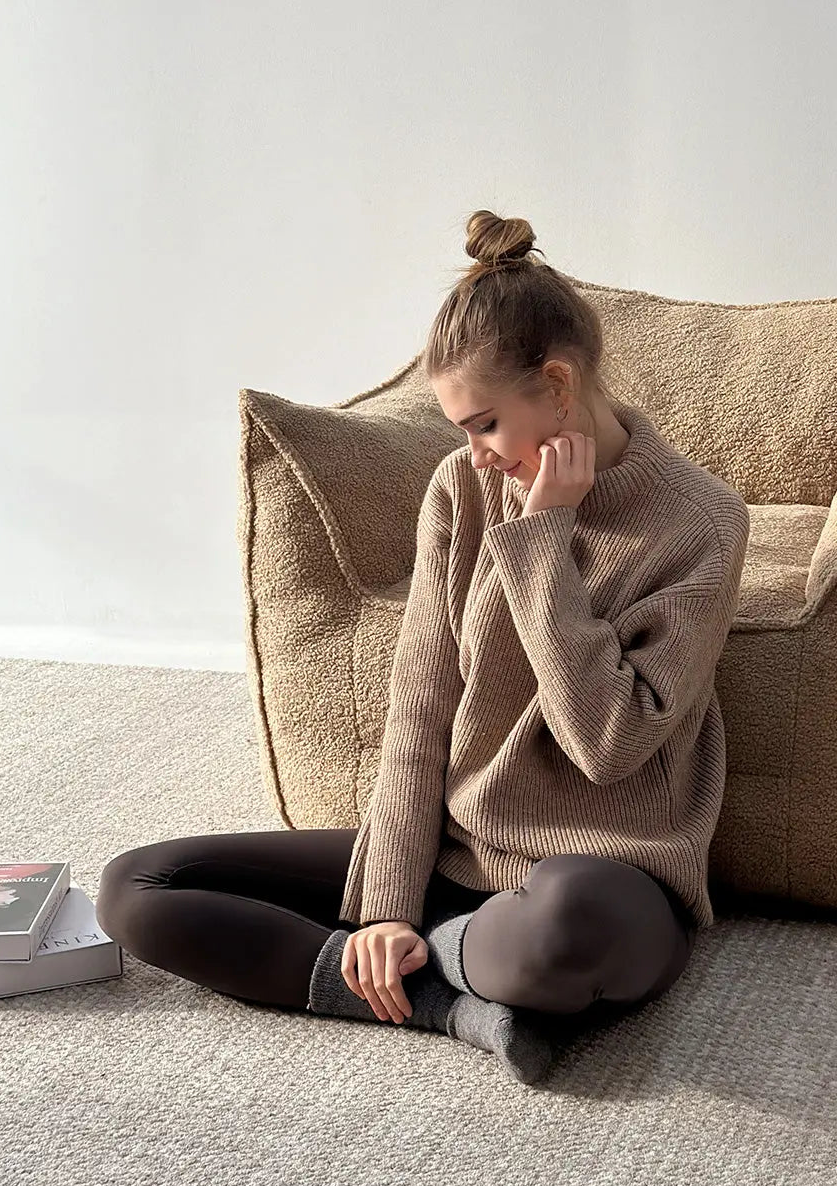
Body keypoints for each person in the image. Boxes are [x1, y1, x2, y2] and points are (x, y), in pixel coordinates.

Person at [96, 209, 750, 1086]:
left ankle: (446, 961)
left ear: (558, 386)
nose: (475, 455)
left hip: (607, 873)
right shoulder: (459, 490)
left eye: (483, 425)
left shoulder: (701, 523)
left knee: (562, 935)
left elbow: (609, 745)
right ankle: (452, 1005)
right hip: (458, 852)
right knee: (137, 888)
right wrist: (383, 911)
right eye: (461, 434)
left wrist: (542, 539)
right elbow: (420, 713)